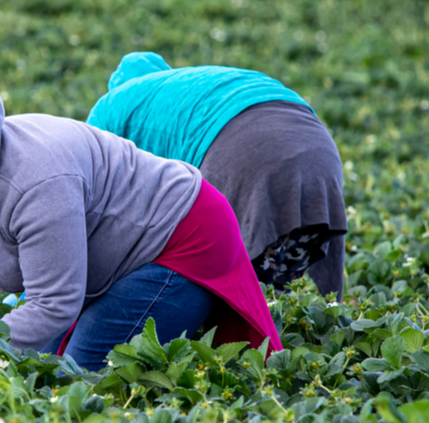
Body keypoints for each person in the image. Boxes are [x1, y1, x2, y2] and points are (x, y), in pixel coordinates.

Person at [0, 68, 282, 371]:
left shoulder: (39, 182)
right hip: (119, 248)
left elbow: (53, 303)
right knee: (39, 361)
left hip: (181, 238)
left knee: (82, 371)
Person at [87, 52, 347, 302]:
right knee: (275, 296)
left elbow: (91, 192)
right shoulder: (193, 83)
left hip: (243, 150)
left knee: (220, 287)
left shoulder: (111, 106)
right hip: (320, 152)